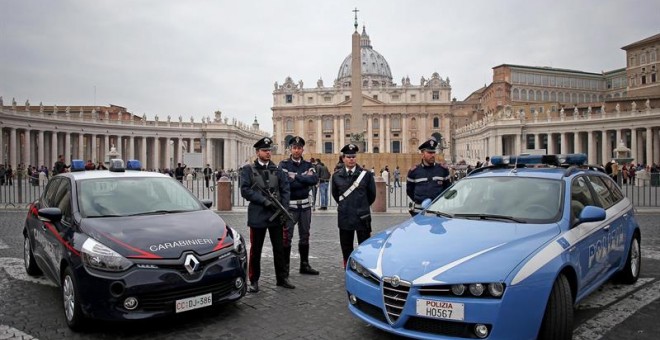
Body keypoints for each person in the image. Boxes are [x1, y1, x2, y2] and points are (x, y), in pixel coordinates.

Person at [240, 137, 294, 292]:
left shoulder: (278, 170)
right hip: (258, 215)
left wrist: (283, 208)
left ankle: (282, 278)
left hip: (276, 215)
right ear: (257, 152)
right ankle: (254, 280)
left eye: (269, 150)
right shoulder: (248, 170)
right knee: (256, 249)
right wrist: (263, 201)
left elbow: (285, 190)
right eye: (265, 150)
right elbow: (245, 190)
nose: (268, 153)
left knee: (279, 248)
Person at [278, 136, 320, 276]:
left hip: (305, 207)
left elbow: (313, 180)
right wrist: (303, 178)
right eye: (294, 148)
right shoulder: (283, 165)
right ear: (290, 149)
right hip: (289, 207)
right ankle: (285, 268)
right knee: (286, 237)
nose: (297, 150)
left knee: (305, 236)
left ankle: (304, 265)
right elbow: (285, 183)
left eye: (299, 148)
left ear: (303, 149)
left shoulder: (308, 165)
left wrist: (295, 177)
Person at [331, 143, 376, 268]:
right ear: (343, 158)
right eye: (348, 157)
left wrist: (362, 206)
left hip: (362, 216)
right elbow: (336, 195)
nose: (351, 159)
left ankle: (364, 267)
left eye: (353, 157)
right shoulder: (336, 176)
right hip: (345, 216)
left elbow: (372, 195)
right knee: (346, 245)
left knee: (364, 245)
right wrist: (346, 205)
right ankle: (348, 266)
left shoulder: (366, 175)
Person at [406, 138, 451, 216]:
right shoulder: (413, 172)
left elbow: (447, 189)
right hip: (419, 213)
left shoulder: (443, 170)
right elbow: (409, 191)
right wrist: (420, 200)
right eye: (429, 152)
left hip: (438, 212)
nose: (433, 155)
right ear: (422, 154)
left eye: (433, 152)